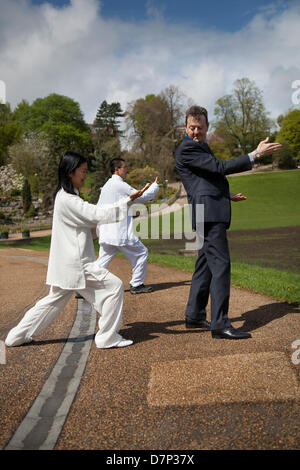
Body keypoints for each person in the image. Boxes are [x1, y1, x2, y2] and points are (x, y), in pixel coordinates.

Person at [5, 151, 150, 349]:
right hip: (77, 263)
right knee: (115, 287)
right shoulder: (68, 200)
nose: (85, 175)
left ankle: (16, 336)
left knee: (52, 302)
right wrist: (128, 200)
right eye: (82, 171)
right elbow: (96, 214)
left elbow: (88, 218)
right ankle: (107, 336)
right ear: (71, 172)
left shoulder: (65, 196)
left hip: (68, 264)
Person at [175, 106, 282, 340]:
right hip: (209, 214)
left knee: (205, 264)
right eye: (192, 128)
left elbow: (208, 177)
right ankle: (220, 324)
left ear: (207, 128)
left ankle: (194, 315)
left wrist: (227, 195)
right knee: (221, 266)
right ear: (185, 127)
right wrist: (254, 155)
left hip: (210, 209)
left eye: (200, 128)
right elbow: (219, 168)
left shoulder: (201, 147)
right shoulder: (187, 149)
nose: (195, 132)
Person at [96, 158, 159, 294]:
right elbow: (142, 197)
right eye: (124, 167)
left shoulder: (106, 186)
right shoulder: (120, 185)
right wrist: (155, 186)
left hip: (106, 232)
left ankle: (84, 287)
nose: (127, 170)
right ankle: (137, 284)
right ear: (117, 170)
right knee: (141, 253)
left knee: (102, 261)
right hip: (119, 232)